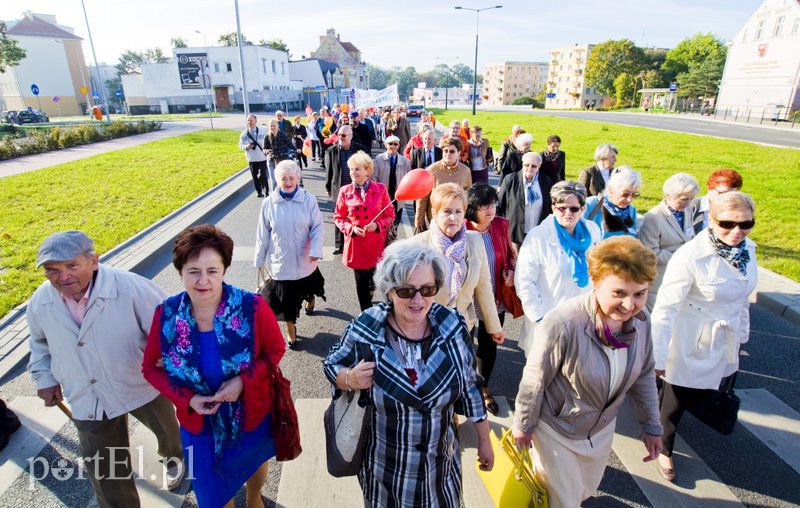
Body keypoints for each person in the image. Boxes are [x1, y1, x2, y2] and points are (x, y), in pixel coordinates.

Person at [323, 240, 494, 507]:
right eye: (406, 291)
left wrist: (484, 440)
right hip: (385, 474)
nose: (418, 300)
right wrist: (349, 378)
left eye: (427, 289)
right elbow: (331, 363)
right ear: (389, 291)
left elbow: (470, 386)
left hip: (440, 472)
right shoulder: (367, 328)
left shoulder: (452, 325)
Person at [27, 230, 184, 507]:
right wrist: (45, 378)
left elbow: (172, 327)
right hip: (87, 393)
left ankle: (175, 457)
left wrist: (170, 361)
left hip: (138, 381)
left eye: (72, 266)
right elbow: (39, 343)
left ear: (94, 261)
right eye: (52, 270)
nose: (62, 277)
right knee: (104, 470)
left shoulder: (130, 287)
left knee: (167, 430)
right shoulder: (41, 301)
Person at [512, 236, 662, 507]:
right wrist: (523, 426)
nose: (630, 306)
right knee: (564, 502)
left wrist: (651, 424)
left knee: (582, 492)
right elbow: (535, 379)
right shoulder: (564, 322)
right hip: (557, 429)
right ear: (595, 283)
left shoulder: (642, 321)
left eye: (639, 294)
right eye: (619, 293)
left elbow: (645, 373)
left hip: (600, 431)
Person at [143, 224, 287, 508]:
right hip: (198, 425)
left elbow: (275, 350)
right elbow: (150, 368)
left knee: (252, 468)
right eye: (193, 271)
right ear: (180, 272)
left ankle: (253, 495)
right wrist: (189, 399)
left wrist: (242, 382)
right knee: (211, 497)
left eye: (212, 271)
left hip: (250, 415)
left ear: (224, 271)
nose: (203, 281)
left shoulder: (252, 307)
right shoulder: (167, 314)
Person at [651, 192, 757, 482]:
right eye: (728, 224)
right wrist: (659, 354)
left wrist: (743, 333)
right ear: (712, 220)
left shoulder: (749, 250)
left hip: (725, 336)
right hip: (689, 339)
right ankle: (664, 448)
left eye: (746, 224)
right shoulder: (691, 255)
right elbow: (665, 308)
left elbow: (743, 298)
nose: (737, 231)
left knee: (705, 391)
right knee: (674, 399)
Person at [514, 181, 602, 356]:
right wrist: (540, 317)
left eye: (574, 209)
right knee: (543, 376)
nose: (568, 213)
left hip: (583, 318)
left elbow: (599, 270)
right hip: (548, 318)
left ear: (583, 209)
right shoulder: (538, 236)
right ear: (553, 207)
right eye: (562, 208)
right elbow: (524, 280)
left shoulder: (593, 231)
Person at [412, 184, 504, 343]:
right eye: (447, 211)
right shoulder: (417, 245)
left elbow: (484, 287)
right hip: (427, 330)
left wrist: (494, 327)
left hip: (463, 326)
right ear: (434, 213)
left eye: (458, 211)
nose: (453, 218)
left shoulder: (475, 240)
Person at [254, 160, 325, 349]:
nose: (287, 182)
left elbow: (317, 227)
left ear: (298, 179)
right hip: (281, 264)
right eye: (283, 178)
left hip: (305, 261)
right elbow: (263, 234)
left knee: (308, 292)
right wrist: (260, 259)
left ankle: (310, 302)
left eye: (291, 178)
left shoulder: (308, 200)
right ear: (277, 180)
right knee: (287, 304)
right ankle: (291, 334)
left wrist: (316, 251)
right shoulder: (269, 203)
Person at [465, 184, 516, 415]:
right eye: (485, 205)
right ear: (472, 207)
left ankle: (483, 389)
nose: (491, 209)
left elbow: (508, 255)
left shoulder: (502, 225)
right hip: (466, 299)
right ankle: (462, 388)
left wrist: (511, 269)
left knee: (488, 345)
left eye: (493, 203)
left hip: (495, 295)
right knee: (464, 345)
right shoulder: (461, 228)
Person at [333, 151, 395, 311]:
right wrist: (350, 228)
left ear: (368, 171)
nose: (353, 173)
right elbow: (338, 218)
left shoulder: (381, 189)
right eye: (351, 169)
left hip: (377, 245)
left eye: (357, 169)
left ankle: (372, 292)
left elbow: (390, 215)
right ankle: (366, 314)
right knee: (361, 284)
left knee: (375, 281)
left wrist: (378, 225)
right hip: (357, 245)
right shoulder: (344, 191)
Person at [639, 173, 700, 309]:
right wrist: (682, 257)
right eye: (684, 199)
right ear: (667, 195)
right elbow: (650, 253)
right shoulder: (653, 217)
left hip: (683, 278)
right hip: (660, 282)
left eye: (691, 199)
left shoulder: (687, 210)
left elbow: (689, 237)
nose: (688, 203)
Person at [497, 151, 554, 250]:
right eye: (526, 165)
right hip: (515, 233)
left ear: (539, 166)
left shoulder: (546, 182)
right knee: (516, 261)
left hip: (538, 232)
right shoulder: (510, 179)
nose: (529, 168)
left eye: (533, 166)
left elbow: (550, 207)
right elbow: (499, 205)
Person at [414, 136, 472, 232]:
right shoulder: (431, 170)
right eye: (445, 151)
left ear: (458, 153)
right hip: (435, 219)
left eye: (452, 151)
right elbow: (423, 197)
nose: (448, 154)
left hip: (456, 220)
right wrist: (419, 219)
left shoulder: (465, 171)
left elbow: (468, 196)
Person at [325, 125, 368, 254]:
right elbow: (329, 170)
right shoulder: (332, 150)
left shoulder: (360, 149)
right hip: (339, 188)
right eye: (339, 135)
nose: (340, 138)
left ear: (351, 136)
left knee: (357, 215)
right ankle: (339, 244)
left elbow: (367, 169)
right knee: (340, 216)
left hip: (357, 189)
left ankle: (357, 241)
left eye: (343, 135)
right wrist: (328, 187)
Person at [584, 166, 642, 238]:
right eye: (625, 194)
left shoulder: (631, 210)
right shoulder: (591, 204)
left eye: (634, 195)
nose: (629, 200)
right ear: (610, 189)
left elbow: (631, 239)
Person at [373, 135, 412, 225]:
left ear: (398, 146)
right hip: (383, 196)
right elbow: (374, 178)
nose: (393, 146)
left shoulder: (405, 162)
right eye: (390, 144)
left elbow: (408, 179)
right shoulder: (378, 159)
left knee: (395, 221)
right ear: (386, 145)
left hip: (397, 198)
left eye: (395, 144)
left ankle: (393, 235)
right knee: (383, 221)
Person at [239, 114, 270, 197]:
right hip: (251, 159)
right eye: (248, 120)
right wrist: (246, 146)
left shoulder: (262, 131)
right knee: (254, 176)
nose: (249, 122)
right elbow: (240, 145)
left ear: (256, 121)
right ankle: (259, 192)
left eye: (251, 120)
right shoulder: (244, 134)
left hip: (261, 157)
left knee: (262, 175)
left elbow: (268, 141)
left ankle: (266, 191)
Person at [266, 119, 296, 192]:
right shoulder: (267, 136)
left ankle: (284, 193)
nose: (272, 127)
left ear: (277, 126)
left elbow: (291, 146)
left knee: (282, 179)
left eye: (274, 126)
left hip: (282, 160)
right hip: (272, 160)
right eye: (271, 126)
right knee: (273, 180)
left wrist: (292, 153)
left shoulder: (283, 135)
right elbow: (264, 148)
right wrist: (267, 151)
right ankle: (274, 196)